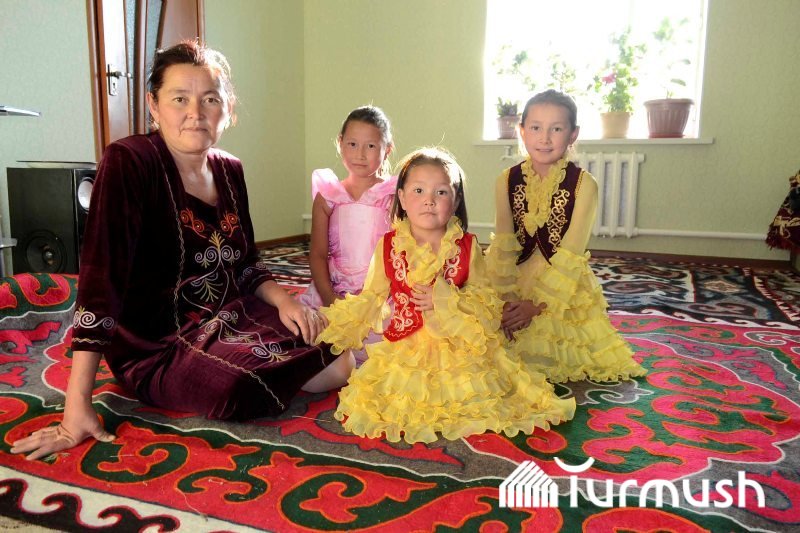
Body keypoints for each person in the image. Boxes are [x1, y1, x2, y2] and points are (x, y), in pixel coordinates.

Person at [11, 41, 354, 461]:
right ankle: (257, 366)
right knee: (238, 388)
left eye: (210, 99)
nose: (196, 112)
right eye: (179, 99)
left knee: (336, 350)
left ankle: (270, 358)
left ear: (227, 108)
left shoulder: (230, 169)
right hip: (158, 345)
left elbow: (246, 263)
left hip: (232, 315)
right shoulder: (129, 162)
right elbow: (102, 282)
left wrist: (286, 302)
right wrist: (76, 405)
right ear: (153, 106)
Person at [316, 148, 576, 444]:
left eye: (441, 192)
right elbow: (371, 297)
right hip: (408, 345)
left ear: (456, 201)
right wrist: (336, 326)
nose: (429, 200)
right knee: (392, 399)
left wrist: (444, 299)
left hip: (458, 345)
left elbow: (484, 299)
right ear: (402, 198)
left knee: (480, 394)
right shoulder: (388, 246)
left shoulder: (466, 246)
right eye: (418, 190)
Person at [485, 89, 646, 383]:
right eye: (536, 127)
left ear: (573, 134)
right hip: (514, 276)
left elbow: (572, 253)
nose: (545, 138)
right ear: (522, 131)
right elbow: (503, 246)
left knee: (545, 346)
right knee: (484, 337)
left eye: (556, 129)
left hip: (561, 284)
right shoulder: (505, 181)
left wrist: (537, 305)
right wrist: (505, 299)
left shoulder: (585, 185)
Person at [299, 107, 396, 364]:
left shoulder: (393, 196)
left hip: (379, 295)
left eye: (371, 146)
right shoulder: (328, 196)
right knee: (308, 334)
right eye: (352, 144)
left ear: (387, 149)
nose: (360, 154)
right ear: (340, 143)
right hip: (335, 290)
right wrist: (331, 301)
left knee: (392, 343)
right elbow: (318, 254)